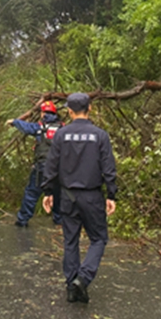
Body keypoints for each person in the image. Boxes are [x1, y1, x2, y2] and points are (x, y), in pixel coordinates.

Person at [41, 92, 117, 304]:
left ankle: (71, 284)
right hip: (92, 195)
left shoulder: (61, 135)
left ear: (69, 111)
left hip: (67, 195)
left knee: (70, 240)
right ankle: (83, 278)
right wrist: (111, 194)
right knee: (99, 238)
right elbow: (108, 168)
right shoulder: (100, 135)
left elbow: (51, 166)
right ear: (90, 109)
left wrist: (48, 192)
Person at [7, 101, 63, 226]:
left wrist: (14, 122)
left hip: (42, 166)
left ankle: (23, 220)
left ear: (43, 113)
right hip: (59, 168)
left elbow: (26, 127)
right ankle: (59, 219)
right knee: (58, 193)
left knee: (32, 192)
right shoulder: (62, 128)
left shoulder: (39, 127)